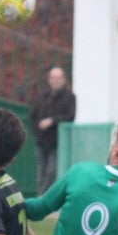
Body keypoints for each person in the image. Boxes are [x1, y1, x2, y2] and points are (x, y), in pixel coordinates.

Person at [28, 66, 77, 195]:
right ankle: (40, 199)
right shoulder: (41, 97)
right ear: (49, 80)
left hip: (58, 142)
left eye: (59, 78)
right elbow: (32, 117)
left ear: (63, 80)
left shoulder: (69, 97)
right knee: (41, 173)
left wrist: (52, 120)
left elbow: (70, 116)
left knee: (51, 172)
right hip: (41, 141)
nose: (56, 80)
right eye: (53, 78)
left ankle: (44, 198)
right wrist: (37, 131)